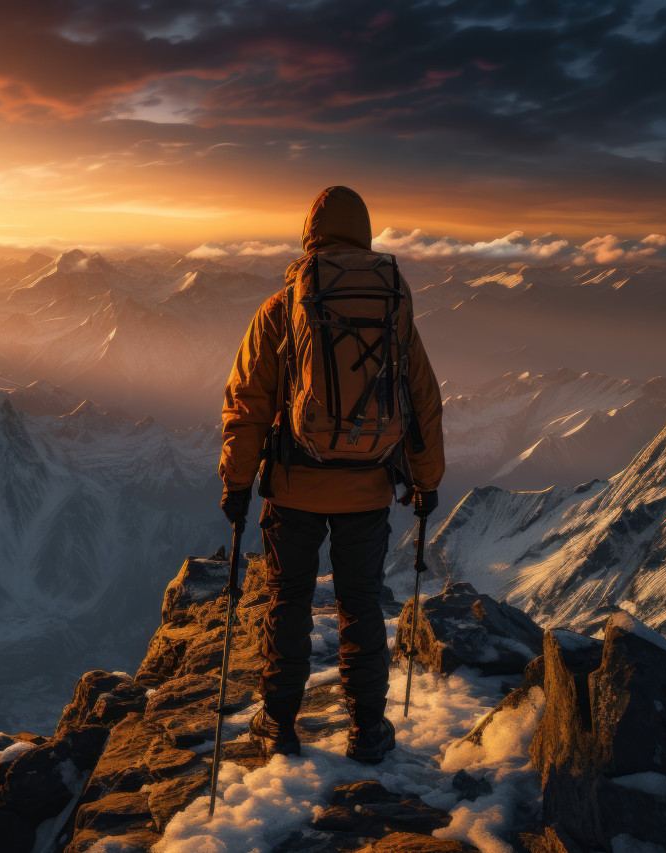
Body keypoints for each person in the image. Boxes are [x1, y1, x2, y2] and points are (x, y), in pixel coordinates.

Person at [218, 185, 444, 764]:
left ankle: (278, 725)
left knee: (288, 602)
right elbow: (421, 398)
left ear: (309, 236)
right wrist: (426, 479)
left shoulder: (283, 307)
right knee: (360, 605)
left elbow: (248, 404)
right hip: (369, 483)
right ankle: (368, 730)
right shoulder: (391, 307)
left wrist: (236, 485)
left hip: (294, 486)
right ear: (366, 235)